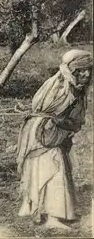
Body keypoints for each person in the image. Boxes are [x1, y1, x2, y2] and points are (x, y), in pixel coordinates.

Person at [16, 49, 92, 229]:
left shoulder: (74, 87)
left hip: (51, 133)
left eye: (89, 69)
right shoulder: (61, 86)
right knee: (54, 169)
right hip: (44, 134)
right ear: (73, 70)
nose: (86, 73)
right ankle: (54, 217)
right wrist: (66, 124)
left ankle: (43, 210)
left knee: (52, 168)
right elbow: (50, 113)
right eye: (82, 70)